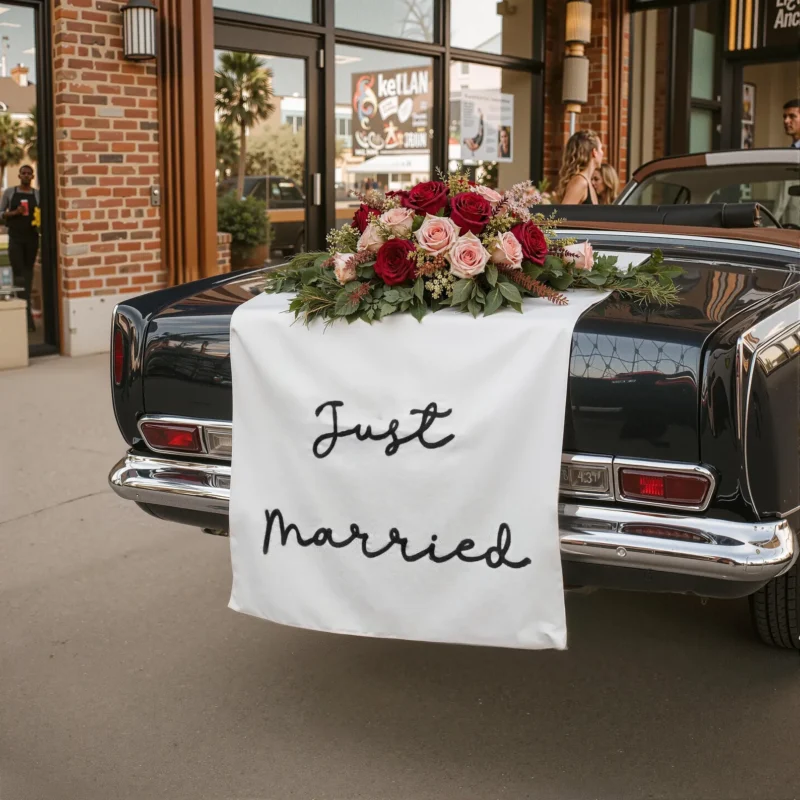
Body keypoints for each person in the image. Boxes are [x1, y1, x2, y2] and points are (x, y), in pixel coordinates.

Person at [1, 164, 40, 331]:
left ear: (32, 177)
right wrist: (14, 213)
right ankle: (21, 315)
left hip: (31, 239)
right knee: (18, 275)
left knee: (28, 274)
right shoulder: (10, 192)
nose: (25, 175)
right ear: (19, 175)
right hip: (15, 238)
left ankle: (29, 317)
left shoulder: (37, 195)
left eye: (29, 173)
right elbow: (1, 213)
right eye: (23, 173)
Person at [557, 130, 604, 204]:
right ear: (594, 152)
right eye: (601, 148)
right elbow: (563, 214)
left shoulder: (588, 183)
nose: (602, 153)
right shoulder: (580, 182)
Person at [775, 99, 800, 227]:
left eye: (792, 116)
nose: (786, 121)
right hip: (788, 228)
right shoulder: (790, 151)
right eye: (785, 116)